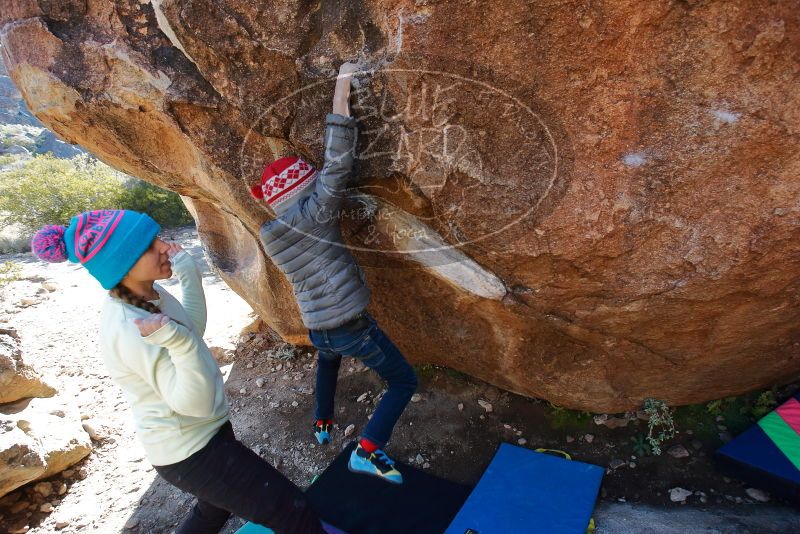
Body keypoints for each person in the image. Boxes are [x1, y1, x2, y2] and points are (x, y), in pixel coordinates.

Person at [31, 210, 329, 533]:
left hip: (201, 434)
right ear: (122, 264)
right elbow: (192, 401)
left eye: (156, 237)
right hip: (190, 449)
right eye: (148, 245)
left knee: (215, 508)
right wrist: (178, 342)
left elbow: (191, 330)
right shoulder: (130, 327)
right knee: (292, 512)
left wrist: (189, 276)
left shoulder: (144, 295)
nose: (163, 246)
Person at [252, 63, 418, 485]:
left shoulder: (269, 233)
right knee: (402, 381)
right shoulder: (316, 212)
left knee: (327, 361)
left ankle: (322, 422)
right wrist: (341, 86)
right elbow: (338, 161)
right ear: (303, 191)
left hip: (318, 326)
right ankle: (368, 450)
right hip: (349, 324)